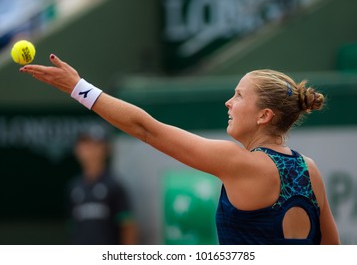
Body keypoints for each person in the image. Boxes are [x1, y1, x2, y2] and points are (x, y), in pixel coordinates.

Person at [19, 54, 340, 245]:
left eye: (239, 96)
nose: (229, 102)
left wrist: (79, 88)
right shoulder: (309, 170)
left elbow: (146, 129)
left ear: (264, 115)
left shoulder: (239, 162)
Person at [66, 126, 137, 245]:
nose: (89, 150)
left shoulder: (114, 186)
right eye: (84, 144)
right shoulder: (74, 187)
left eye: (95, 145)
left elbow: (127, 226)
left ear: (105, 148)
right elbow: (73, 227)